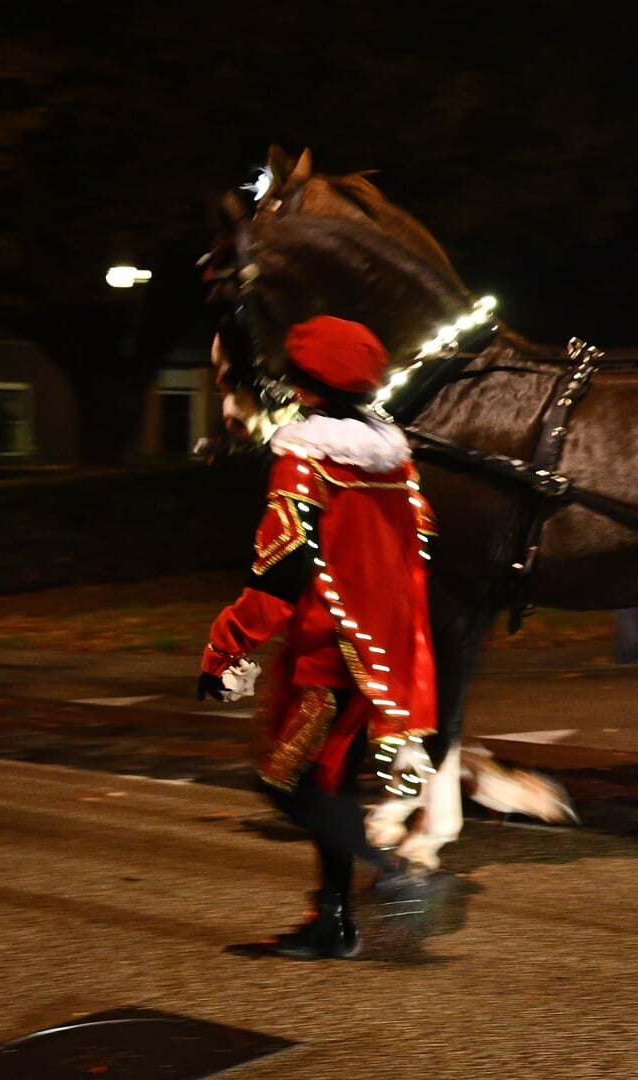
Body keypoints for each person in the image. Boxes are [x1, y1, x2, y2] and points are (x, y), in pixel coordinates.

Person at [197, 315, 439, 959]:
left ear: (304, 388)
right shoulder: (398, 462)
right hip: (382, 657)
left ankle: (392, 872)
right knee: (332, 786)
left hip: (326, 657)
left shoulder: (305, 461)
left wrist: (226, 648)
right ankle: (332, 924)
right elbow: (421, 547)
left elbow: (282, 569)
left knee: (283, 781)